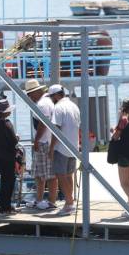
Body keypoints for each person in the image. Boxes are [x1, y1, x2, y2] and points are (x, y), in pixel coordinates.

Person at [23, 79, 57, 211]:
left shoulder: (42, 104)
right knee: (39, 173)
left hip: (44, 142)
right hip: (45, 142)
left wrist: (36, 141)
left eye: (30, 94)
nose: (29, 97)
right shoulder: (46, 101)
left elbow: (43, 124)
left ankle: (51, 201)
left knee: (49, 174)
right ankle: (39, 199)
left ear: (36, 92)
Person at [48, 84, 81, 216]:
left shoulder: (58, 107)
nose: (51, 99)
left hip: (61, 147)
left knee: (61, 176)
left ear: (56, 95)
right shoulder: (74, 106)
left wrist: (51, 149)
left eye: (51, 96)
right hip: (73, 146)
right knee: (69, 175)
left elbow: (56, 130)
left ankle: (69, 204)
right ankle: (69, 202)